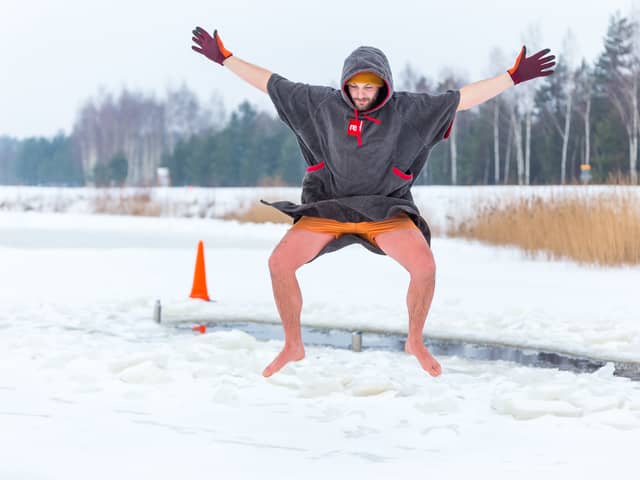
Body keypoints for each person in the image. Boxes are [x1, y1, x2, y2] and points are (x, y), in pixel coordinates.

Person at [191, 27, 555, 378]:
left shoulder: (408, 111)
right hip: (329, 209)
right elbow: (270, 83)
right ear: (345, 84)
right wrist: (225, 59)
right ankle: (292, 343)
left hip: (384, 211)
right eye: (355, 86)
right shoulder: (321, 105)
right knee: (279, 263)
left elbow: (461, 99)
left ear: (384, 86)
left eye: (369, 87)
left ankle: (415, 340)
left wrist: (511, 77)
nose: (361, 94)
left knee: (424, 267)